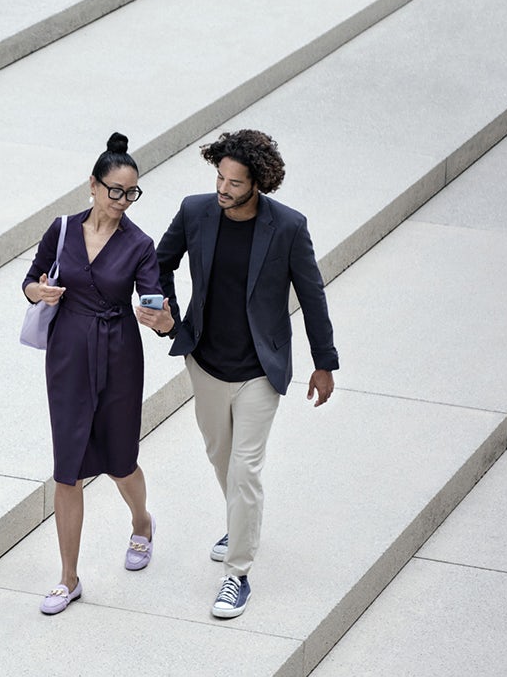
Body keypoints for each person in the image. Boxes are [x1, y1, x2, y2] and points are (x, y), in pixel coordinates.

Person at [137, 129, 338, 619]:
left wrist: (324, 361)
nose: (223, 189)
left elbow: (313, 296)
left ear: (257, 184)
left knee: (245, 470)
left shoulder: (287, 227)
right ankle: (240, 522)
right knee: (220, 457)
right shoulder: (195, 211)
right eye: (220, 178)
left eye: (234, 182)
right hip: (205, 360)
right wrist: (166, 314)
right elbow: (159, 265)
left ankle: (238, 575)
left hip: (259, 370)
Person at [22, 132, 164, 615]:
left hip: (120, 353)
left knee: (121, 460)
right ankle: (68, 578)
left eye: (131, 193)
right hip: (66, 356)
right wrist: (36, 292)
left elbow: (152, 293)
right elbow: (31, 278)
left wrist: (160, 315)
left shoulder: (140, 243)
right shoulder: (61, 229)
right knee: (68, 469)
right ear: (93, 185)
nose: (123, 201)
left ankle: (141, 522)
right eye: (115, 190)